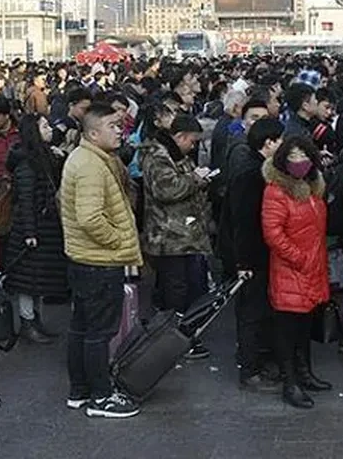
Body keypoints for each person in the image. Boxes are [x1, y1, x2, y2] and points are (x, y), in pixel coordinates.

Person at [59, 104, 142, 419]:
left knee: (82, 328)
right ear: (93, 132)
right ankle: (100, 396)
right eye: (112, 125)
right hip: (98, 261)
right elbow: (90, 217)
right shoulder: (91, 165)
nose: (119, 130)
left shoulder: (90, 158)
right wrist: (118, 241)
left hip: (84, 259)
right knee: (99, 332)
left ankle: (80, 390)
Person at [261, 135, 331, 409]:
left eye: (304, 156)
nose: (299, 162)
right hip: (292, 270)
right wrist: (299, 258)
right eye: (293, 157)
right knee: (287, 330)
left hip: (312, 268)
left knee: (304, 327)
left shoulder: (313, 187)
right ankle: (290, 382)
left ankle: (305, 374)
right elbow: (273, 234)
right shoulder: (276, 191)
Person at [138, 113, 214, 359]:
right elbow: (167, 189)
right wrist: (196, 179)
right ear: (179, 136)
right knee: (176, 291)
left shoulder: (175, 155)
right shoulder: (157, 157)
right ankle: (173, 340)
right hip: (169, 236)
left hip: (184, 234)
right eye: (191, 141)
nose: (193, 147)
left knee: (189, 287)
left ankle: (183, 335)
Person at [228, 116, 286, 393]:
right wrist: (243, 262)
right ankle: (250, 370)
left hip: (259, 255)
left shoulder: (261, 169)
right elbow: (242, 223)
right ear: (269, 143)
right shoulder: (251, 175)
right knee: (252, 313)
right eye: (280, 140)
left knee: (260, 312)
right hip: (252, 257)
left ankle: (257, 362)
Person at [3, 114, 68, 346]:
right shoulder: (27, 164)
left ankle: (35, 321)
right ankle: (27, 322)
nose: (49, 129)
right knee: (27, 282)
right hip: (32, 231)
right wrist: (29, 233)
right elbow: (26, 202)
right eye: (44, 126)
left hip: (45, 228)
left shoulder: (45, 157)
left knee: (39, 280)